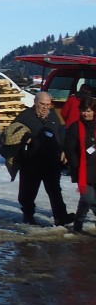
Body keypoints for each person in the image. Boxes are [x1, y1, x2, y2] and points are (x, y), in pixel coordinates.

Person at [13, 91, 71, 225]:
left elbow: (59, 134)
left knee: (55, 190)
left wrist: (63, 150)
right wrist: (26, 140)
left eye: (48, 104)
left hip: (51, 161)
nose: (45, 107)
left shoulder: (52, 116)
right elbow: (12, 133)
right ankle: (28, 214)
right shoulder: (25, 116)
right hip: (31, 162)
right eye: (42, 104)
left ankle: (60, 217)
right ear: (35, 102)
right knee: (28, 191)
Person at [64, 95, 96, 234]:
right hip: (83, 170)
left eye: (89, 110)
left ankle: (77, 224)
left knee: (90, 200)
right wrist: (76, 166)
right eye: (84, 110)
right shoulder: (75, 127)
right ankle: (78, 223)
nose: (86, 113)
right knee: (88, 198)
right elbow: (70, 150)